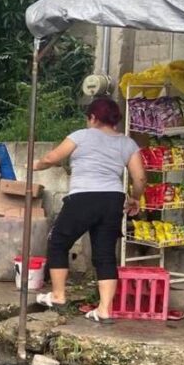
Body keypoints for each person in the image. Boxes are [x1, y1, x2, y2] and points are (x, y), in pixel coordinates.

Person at [32, 97, 147, 323]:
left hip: (83, 197)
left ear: (93, 117)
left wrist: (34, 166)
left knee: (58, 242)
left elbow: (51, 157)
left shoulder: (81, 136)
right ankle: (104, 310)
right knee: (105, 254)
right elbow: (140, 177)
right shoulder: (128, 143)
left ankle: (58, 296)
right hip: (113, 200)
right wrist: (135, 198)